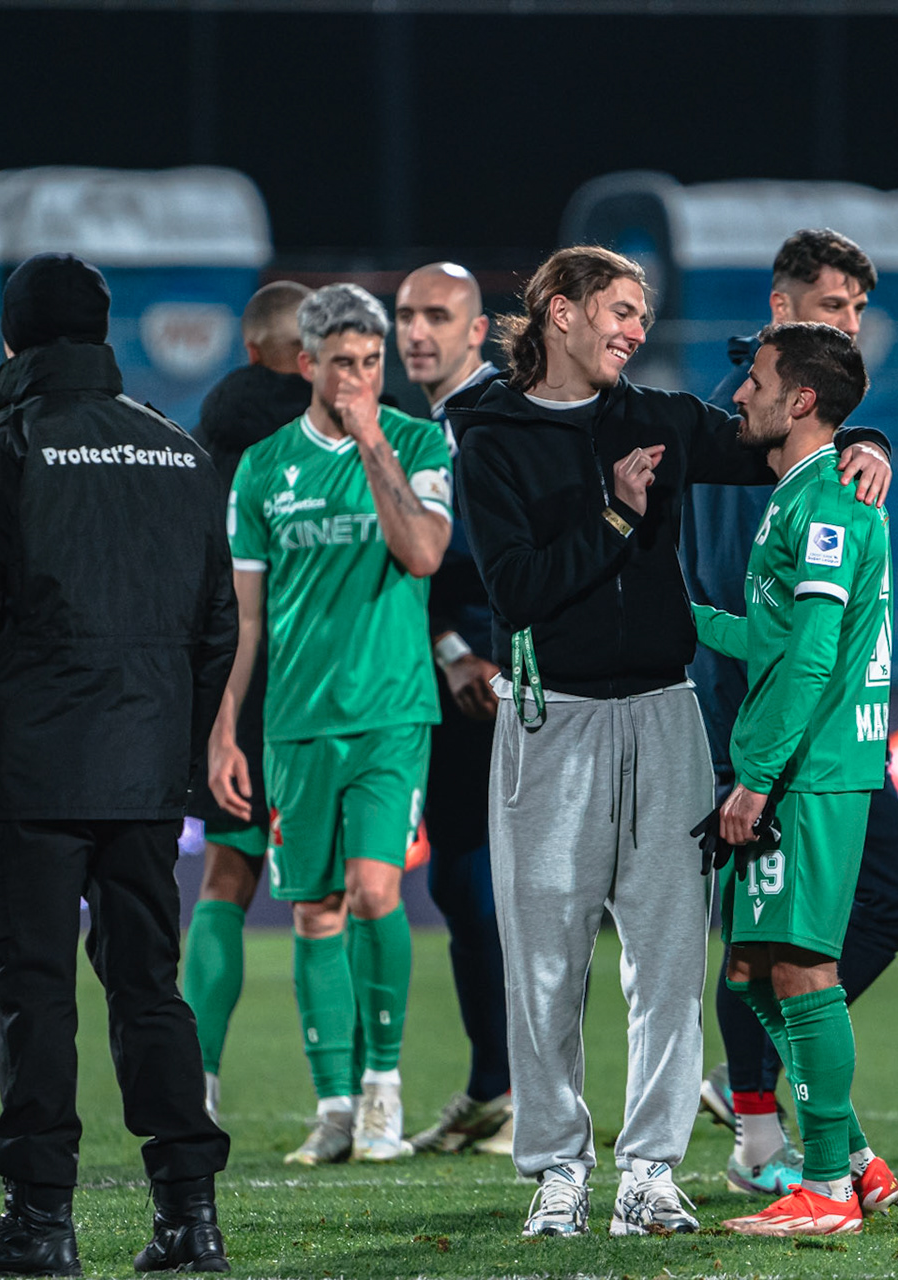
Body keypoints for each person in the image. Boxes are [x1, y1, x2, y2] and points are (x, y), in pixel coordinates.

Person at [451, 245, 891, 1238]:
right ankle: (558, 1168)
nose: (635, 329)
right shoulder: (492, 435)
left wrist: (867, 441)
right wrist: (616, 511)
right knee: (548, 958)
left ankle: (649, 1170)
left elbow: (783, 431)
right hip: (549, 715)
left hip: (664, 710)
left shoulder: (657, 416)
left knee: (669, 955)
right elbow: (514, 590)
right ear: (557, 311)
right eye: (617, 308)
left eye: (642, 313)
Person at [0, 253, 234, 1276]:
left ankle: (41, 1221)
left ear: (13, 339)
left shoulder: (3, 449)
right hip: (143, 776)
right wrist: (180, 736)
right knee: (148, 988)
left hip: (26, 774)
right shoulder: (180, 454)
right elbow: (217, 624)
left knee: (31, 991)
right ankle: (189, 1217)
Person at [684, 228, 898, 1198]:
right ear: (784, 314)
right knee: (763, 954)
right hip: (763, 721)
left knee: (792, 957)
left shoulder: (817, 479)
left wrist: (759, 769)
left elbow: (811, 636)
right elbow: (770, 619)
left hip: (796, 742)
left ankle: (816, 1160)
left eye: (860, 310)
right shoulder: (743, 433)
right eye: (836, 307)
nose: (853, 324)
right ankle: (802, 1139)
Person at [207, 283, 452, 1166]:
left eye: (373, 364)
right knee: (312, 911)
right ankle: (335, 1107)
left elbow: (422, 553)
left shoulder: (419, 443)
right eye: (343, 364)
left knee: (377, 893)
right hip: (296, 721)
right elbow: (247, 620)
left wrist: (375, 439)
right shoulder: (264, 467)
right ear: (306, 364)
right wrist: (225, 725)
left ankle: (385, 1089)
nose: (359, 379)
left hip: (391, 712)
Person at [181, 279, 314, 1123]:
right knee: (335, 895)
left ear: (247, 343)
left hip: (231, 682)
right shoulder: (330, 436)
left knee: (226, 878)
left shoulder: (207, 442)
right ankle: (359, 1094)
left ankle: (198, 1076)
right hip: (330, 685)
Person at [393, 263, 513, 1156]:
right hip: (452, 685)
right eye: (407, 315)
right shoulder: (413, 430)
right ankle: (497, 1083)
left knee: (525, 893)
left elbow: (494, 560)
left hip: (520, 685)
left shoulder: (500, 422)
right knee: (463, 885)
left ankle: (526, 1089)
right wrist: (448, 654)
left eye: (439, 315)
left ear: (479, 332)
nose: (418, 330)